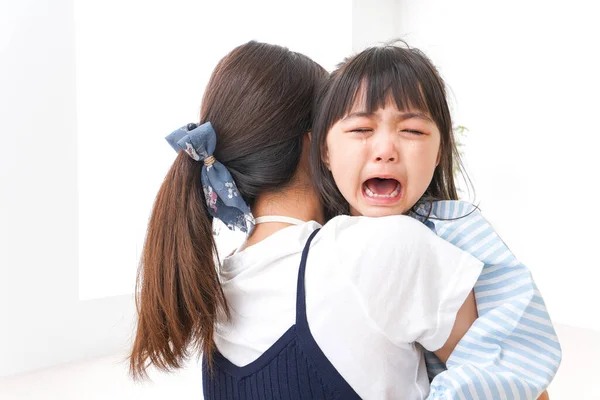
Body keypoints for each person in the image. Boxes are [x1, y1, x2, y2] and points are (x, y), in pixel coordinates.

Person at [128, 40, 484, 399]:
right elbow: (512, 382)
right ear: (319, 146)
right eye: (358, 128)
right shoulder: (381, 247)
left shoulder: (213, 293)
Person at [310, 42, 560, 399]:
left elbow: (518, 375)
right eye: (361, 129)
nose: (385, 149)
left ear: (440, 150)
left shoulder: (456, 232)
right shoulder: (318, 244)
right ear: (324, 149)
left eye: (411, 131)